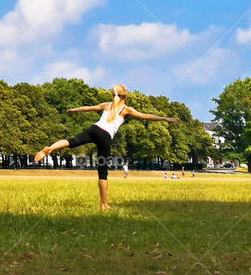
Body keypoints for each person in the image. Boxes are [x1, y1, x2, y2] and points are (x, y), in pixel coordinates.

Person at [33, 84, 181, 210]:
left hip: (94, 128)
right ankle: (104, 204)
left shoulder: (106, 105)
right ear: (125, 96)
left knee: (71, 141)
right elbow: (146, 116)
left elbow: (87, 108)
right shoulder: (126, 109)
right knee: (102, 172)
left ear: (113, 95)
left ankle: (50, 148)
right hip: (105, 136)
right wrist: (166, 119)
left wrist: (74, 110)